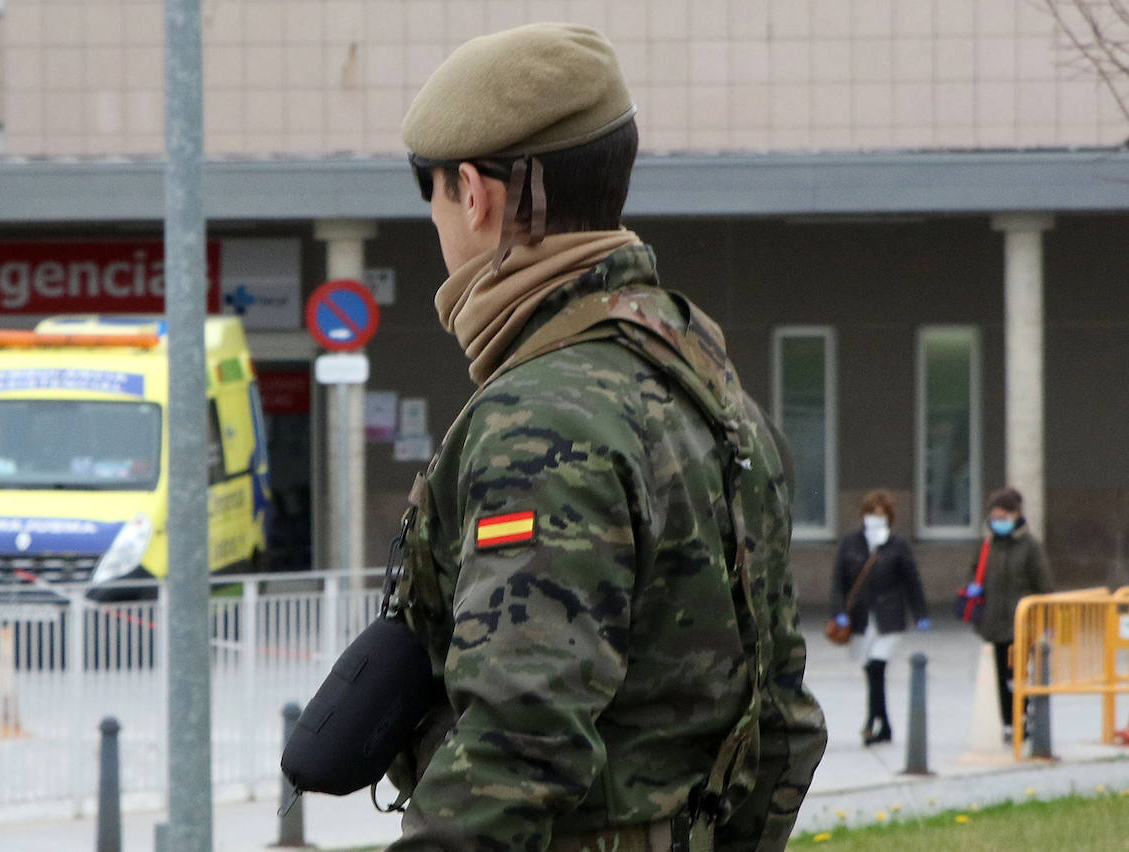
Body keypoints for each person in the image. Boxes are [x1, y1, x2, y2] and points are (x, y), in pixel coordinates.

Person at [383, 22, 827, 851]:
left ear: (474, 195)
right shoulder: (701, 373)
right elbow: (783, 714)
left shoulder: (542, 416)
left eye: (435, 199)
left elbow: (518, 746)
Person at [830, 489, 930, 746]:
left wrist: (920, 613)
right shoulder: (851, 544)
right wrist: (839, 612)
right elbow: (838, 582)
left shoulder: (897, 545)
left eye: (881, 515)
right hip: (861, 619)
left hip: (889, 618)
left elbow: (912, 581)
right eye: (871, 514)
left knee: (877, 666)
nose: (875, 519)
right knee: (870, 671)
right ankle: (884, 725)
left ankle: (871, 723)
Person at [966, 487, 1053, 744]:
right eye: (995, 517)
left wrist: (1047, 620)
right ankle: (1008, 721)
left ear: (1016, 515)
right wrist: (973, 586)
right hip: (994, 620)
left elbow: (1043, 583)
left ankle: (1022, 718)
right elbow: (974, 572)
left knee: (1018, 674)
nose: (998, 522)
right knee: (1002, 673)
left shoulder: (1030, 547)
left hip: (1022, 621)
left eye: (1003, 516)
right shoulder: (987, 546)